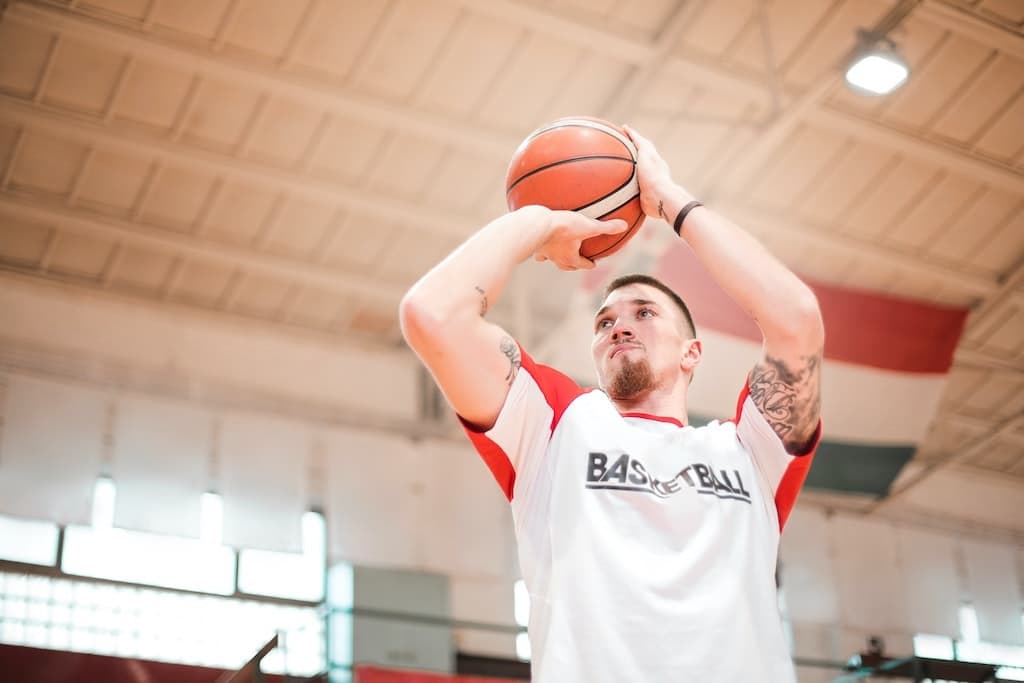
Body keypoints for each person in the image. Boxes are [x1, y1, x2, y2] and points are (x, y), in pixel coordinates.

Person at [399, 125, 824, 682]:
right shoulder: (554, 424)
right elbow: (432, 314)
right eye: (604, 322)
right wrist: (539, 222)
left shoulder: (750, 449)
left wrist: (668, 199)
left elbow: (797, 318)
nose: (618, 327)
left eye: (644, 313)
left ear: (692, 352)